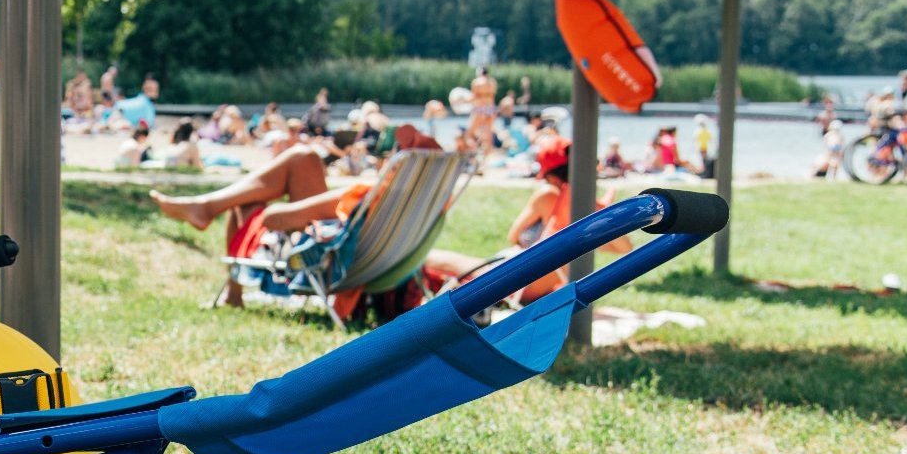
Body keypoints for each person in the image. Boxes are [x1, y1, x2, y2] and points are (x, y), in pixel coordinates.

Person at [150, 126, 441, 307]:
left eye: (396, 150)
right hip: (364, 257)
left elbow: (274, 220)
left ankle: (230, 283)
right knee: (305, 158)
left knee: (253, 198)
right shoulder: (419, 204)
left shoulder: (367, 195)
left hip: (325, 259)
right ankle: (207, 208)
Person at [424, 139, 631, 305]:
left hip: (516, 280)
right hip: (541, 282)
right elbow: (624, 248)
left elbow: (513, 236)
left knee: (431, 259)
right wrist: (602, 211)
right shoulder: (584, 205)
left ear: (550, 173)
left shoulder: (548, 194)